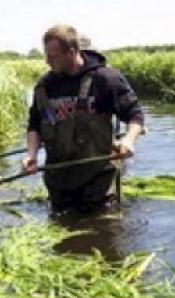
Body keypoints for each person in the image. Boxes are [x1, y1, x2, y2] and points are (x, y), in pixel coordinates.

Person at [23, 24, 145, 214]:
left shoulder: (105, 79)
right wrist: (31, 155)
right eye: (46, 55)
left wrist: (128, 140)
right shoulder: (45, 86)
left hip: (98, 180)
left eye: (53, 56)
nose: (47, 61)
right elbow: (34, 125)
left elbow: (134, 114)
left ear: (72, 52)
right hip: (58, 181)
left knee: (103, 231)